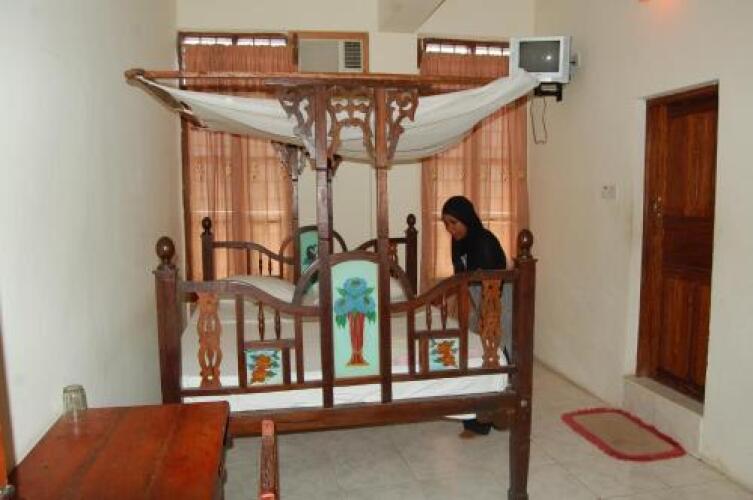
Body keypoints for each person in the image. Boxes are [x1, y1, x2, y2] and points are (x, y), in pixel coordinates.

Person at [441, 195, 513, 436]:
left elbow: (493, 288)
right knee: (479, 357)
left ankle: (498, 413)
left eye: (454, 223)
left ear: (466, 218)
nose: (450, 229)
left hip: (498, 300)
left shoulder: (484, 242)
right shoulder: (460, 242)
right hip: (480, 298)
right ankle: (478, 420)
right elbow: (463, 278)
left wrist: (485, 318)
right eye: (446, 224)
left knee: (498, 354)